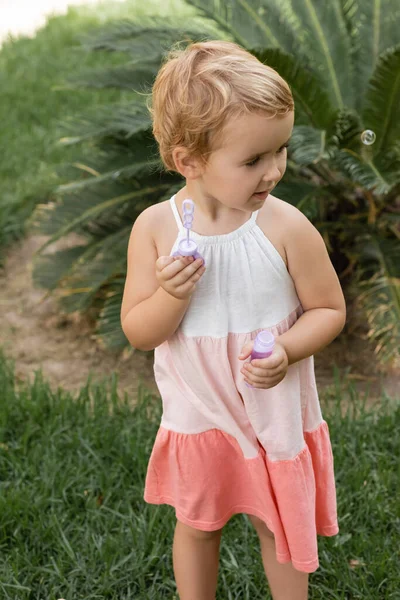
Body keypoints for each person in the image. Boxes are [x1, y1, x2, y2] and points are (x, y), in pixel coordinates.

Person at [121, 40, 346, 600]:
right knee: (199, 524)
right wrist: (170, 297)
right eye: (252, 160)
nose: (274, 170)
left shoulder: (286, 227)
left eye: (281, 150)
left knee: (278, 523)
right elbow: (139, 330)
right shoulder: (156, 229)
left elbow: (329, 309)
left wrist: (289, 349)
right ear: (188, 161)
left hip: (270, 410)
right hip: (201, 415)